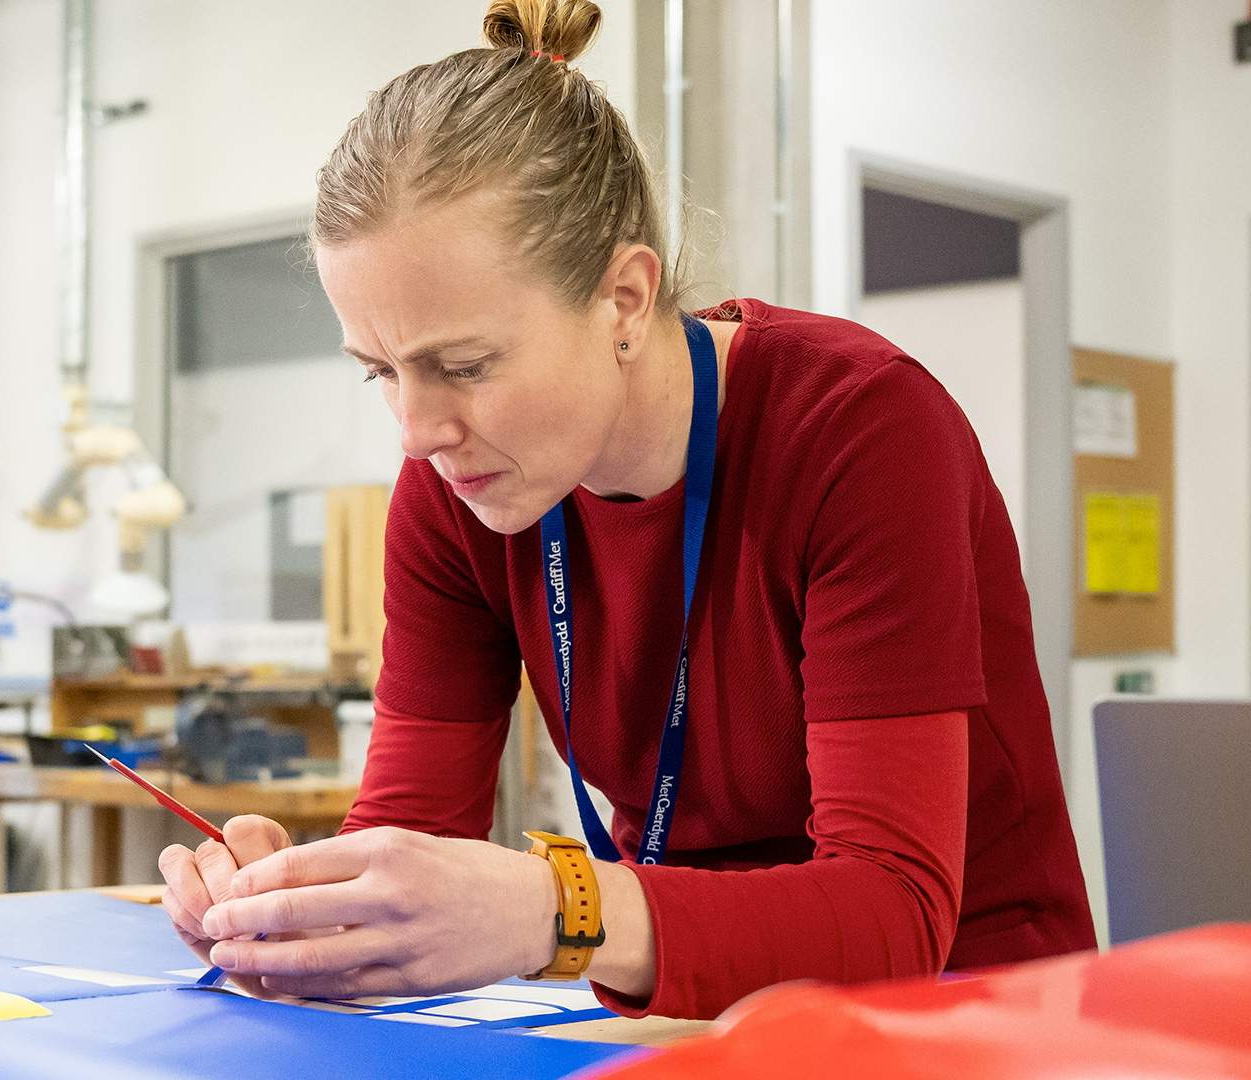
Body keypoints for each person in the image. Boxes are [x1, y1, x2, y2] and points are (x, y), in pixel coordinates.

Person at [158, 0, 1095, 1020]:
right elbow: (409, 825)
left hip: (968, 1006)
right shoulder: (455, 492)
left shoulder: (860, 429)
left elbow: (893, 912)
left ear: (624, 300)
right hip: (685, 1003)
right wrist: (297, 911)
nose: (416, 431)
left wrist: (554, 908)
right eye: (379, 371)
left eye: (462, 365)